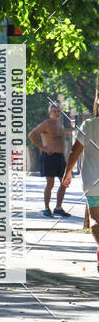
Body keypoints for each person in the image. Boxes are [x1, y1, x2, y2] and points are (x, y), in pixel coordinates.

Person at [61, 116, 99, 271]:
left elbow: (75, 150)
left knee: (95, 218)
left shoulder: (89, 125)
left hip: (92, 182)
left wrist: (67, 172)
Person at [28, 103, 71, 217]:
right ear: (50, 113)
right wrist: (43, 148)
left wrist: (65, 156)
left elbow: (62, 142)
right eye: (54, 111)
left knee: (64, 182)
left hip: (60, 157)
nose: (57, 113)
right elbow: (31, 135)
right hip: (49, 157)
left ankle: (58, 208)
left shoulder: (60, 124)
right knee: (50, 183)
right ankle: (47, 208)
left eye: (58, 111)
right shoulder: (46, 124)